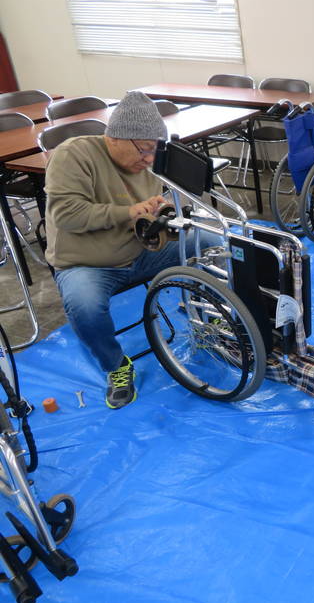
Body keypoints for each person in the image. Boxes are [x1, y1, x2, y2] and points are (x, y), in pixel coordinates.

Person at [44, 91, 218, 410]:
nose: (150, 160)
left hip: (140, 250)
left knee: (212, 242)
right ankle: (116, 366)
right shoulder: (74, 154)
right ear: (119, 138)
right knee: (84, 307)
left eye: (155, 151)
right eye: (146, 150)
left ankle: (207, 316)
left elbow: (152, 207)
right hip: (87, 263)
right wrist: (131, 211)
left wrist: (162, 208)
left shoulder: (144, 162)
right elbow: (66, 215)